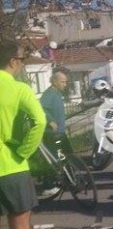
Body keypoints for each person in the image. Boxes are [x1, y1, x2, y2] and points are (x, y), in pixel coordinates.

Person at [0, 40, 48, 229]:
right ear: (12, 62)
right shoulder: (18, 89)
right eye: (21, 60)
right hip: (11, 168)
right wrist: (24, 151)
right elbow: (39, 121)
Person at [36, 68, 70, 196]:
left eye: (66, 82)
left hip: (59, 132)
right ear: (54, 81)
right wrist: (50, 120)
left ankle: (66, 180)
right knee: (51, 159)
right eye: (62, 82)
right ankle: (49, 186)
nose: (65, 85)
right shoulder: (49, 94)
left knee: (65, 156)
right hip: (50, 133)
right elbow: (40, 108)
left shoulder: (57, 93)